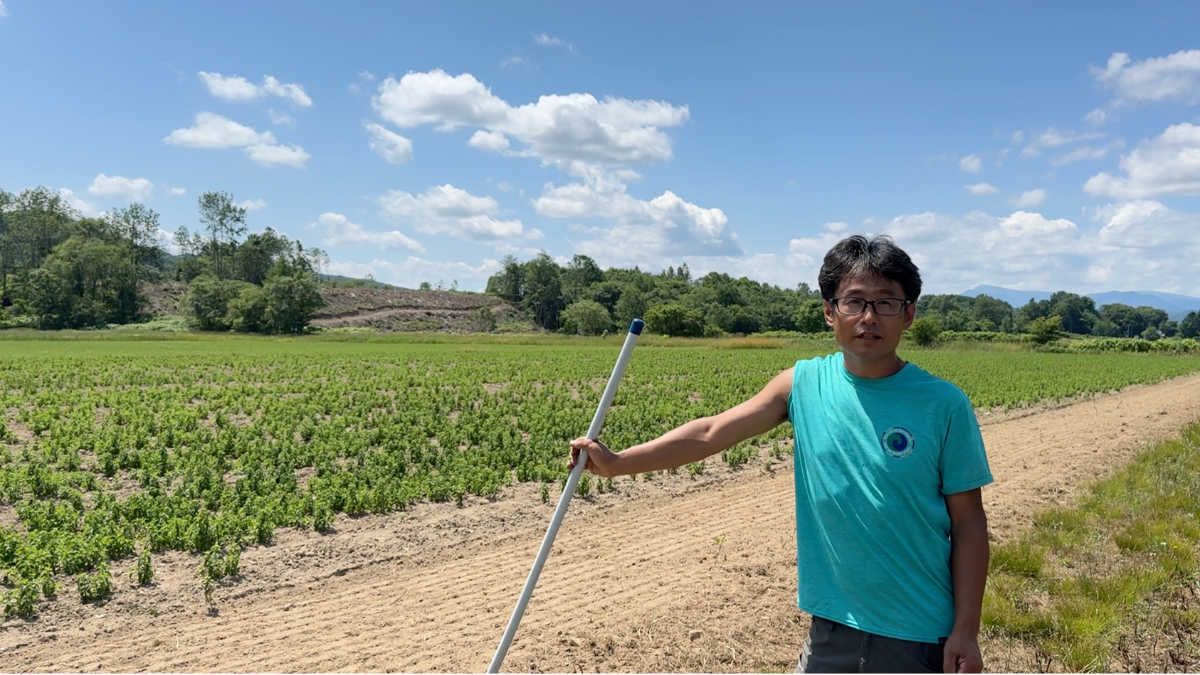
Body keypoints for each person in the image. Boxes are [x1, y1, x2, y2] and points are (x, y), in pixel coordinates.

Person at [569, 235, 992, 673]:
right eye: (854, 302)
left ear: (909, 314)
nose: (868, 317)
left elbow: (968, 522)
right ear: (829, 312)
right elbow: (712, 432)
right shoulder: (802, 385)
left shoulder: (943, 404)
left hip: (917, 634)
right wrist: (619, 463)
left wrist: (966, 628)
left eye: (886, 302)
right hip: (830, 627)